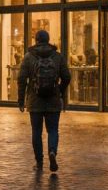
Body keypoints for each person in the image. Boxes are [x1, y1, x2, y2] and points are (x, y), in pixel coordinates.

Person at [18, 29, 71, 172]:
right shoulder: (58, 56)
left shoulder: (29, 57)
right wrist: (59, 90)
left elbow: (21, 79)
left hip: (35, 100)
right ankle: (52, 152)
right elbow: (67, 76)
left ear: (36, 40)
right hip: (53, 100)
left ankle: (39, 162)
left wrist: (21, 99)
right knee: (53, 130)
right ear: (48, 40)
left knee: (36, 131)